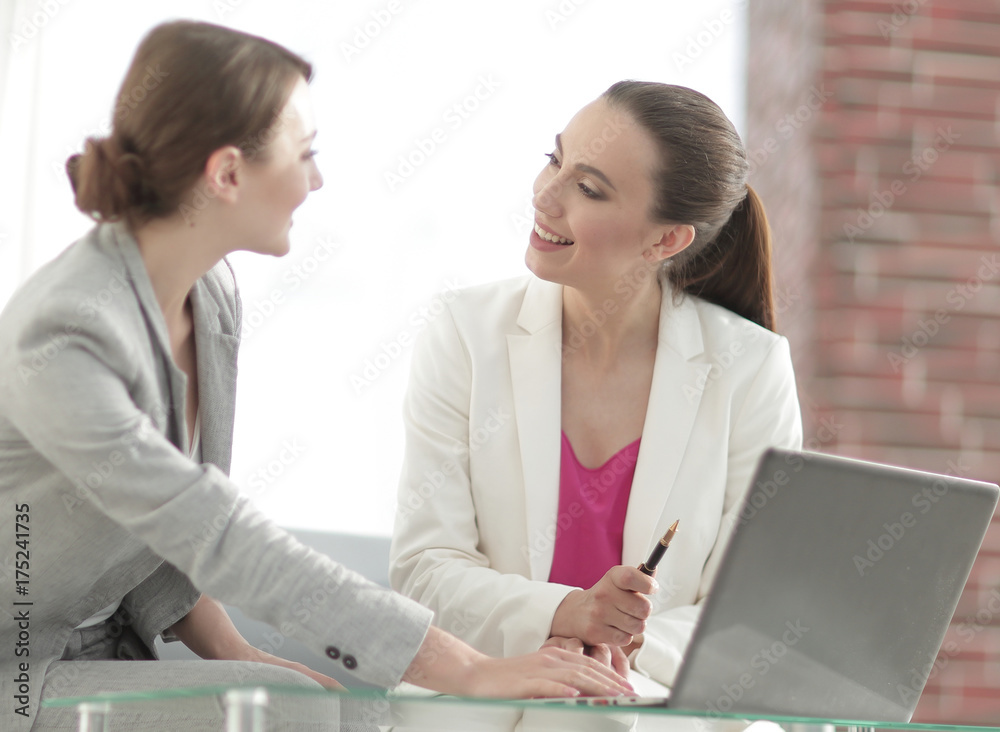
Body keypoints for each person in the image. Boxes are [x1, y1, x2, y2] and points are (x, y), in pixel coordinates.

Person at [0, 21, 632, 732]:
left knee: (330, 708)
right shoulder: (67, 333)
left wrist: (237, 655)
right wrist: (468, 668)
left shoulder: (209, 295)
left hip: (108, 655)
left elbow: (167, 533)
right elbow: (213, 530)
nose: (317, 179)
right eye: (305, 155)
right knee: (315, 717)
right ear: (228, 173)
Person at [389, 81, 804, 691]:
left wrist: (621, 649)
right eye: (554, 159)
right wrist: (565, 615)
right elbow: (424, 570)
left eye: (587, 188)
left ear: (666, 240)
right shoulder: (464, 333)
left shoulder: (750, 367)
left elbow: (751, 612)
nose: (544, 196)